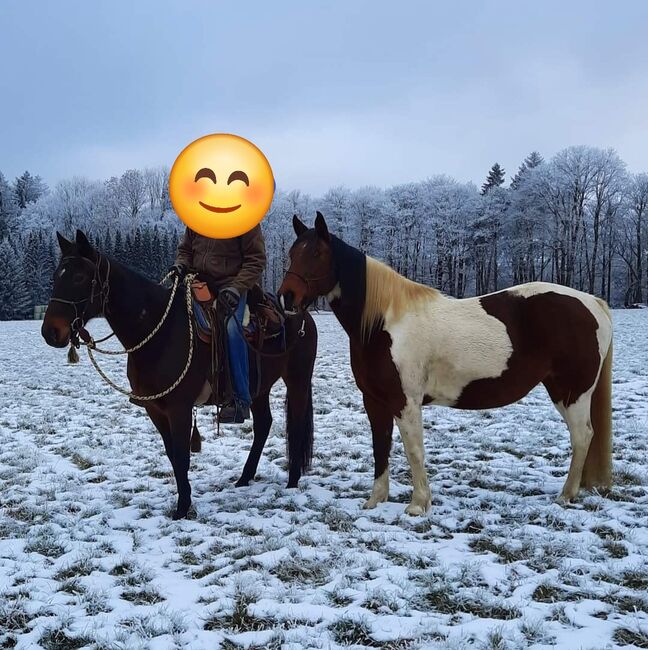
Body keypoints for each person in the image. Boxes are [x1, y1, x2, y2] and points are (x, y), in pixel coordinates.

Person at [170, 224, 266, 423]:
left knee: (232, 328)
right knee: (168, 314)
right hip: (197, 283)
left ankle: (240, 400)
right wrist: (181, 265)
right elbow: (185, 250)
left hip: (230, 286)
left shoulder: (245, 219)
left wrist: (237, 288)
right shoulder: (197, 216)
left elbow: (255, 260)